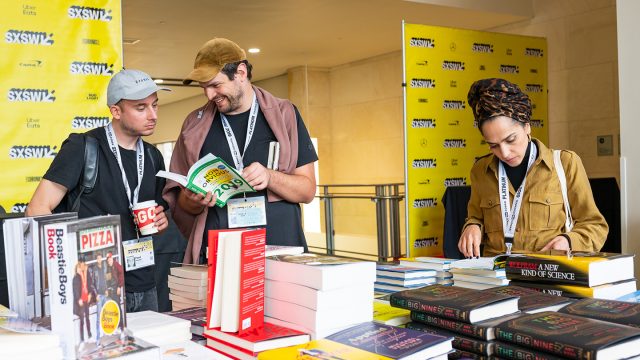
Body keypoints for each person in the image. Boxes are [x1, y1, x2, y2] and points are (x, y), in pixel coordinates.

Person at [25, 69, 171, 312]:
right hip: (93, 285)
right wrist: (64, 270)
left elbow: (154, 212)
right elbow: (37, 208)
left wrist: (160, 219)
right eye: (141, 107)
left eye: (155, 105)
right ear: (116, 111)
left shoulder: (153, 156)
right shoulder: (83, 147)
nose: (153, 115)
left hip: (143, 281)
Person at [165, 38, 318, 264]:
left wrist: (270, 177)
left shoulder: (285, 114)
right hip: (220, 255)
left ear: (241, 72)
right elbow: (181, 205)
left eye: (215, 85)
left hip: (280, 251)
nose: (209, 95)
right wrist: (193, 199)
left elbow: (307, 190)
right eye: (204, 88)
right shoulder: (193, 126)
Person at [458, 78, 608, 257]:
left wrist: (569, 241)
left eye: (510, 140)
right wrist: (472, 226)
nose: (504, 153)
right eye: (493, 145)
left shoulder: (566, 163)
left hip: (547, 273)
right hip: (496, 277)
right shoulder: (480, 170)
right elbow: (476, 216)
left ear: (527, 127)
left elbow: (595, 226)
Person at [73, 258, 94, 341]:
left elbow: (89, 284)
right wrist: (78, 299)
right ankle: (82, 339)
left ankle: (89, 335)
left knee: (87, 318)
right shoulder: (76, 277)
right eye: (80, 266)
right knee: (82, 320)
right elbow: (75, 290)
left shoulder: (86, 274)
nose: (82, 267)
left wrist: (90, 294)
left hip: (86, 299)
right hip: (81, 301)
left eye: (83, 265)